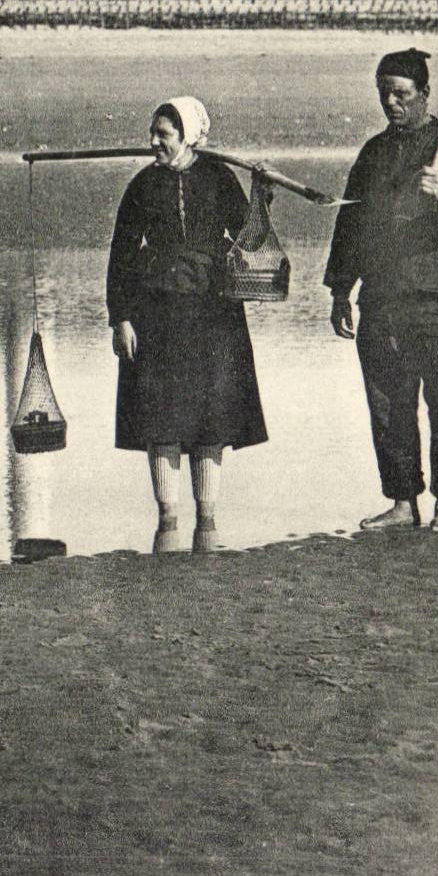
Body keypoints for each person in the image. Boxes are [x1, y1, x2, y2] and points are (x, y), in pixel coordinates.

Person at [323, 48, 438, 533]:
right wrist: (340, 290)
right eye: (384, 94)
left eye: (401, 93)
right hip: (381, 302)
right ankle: (401, 503)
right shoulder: (373, 154)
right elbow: (349, 224)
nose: (392, 103)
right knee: (388, 406)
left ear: (424, 94)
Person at [107, 97, 268, 550]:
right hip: (154, 314)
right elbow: (120, 256)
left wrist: (260, 191)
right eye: (153, 132)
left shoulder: (220, 179)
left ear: (189, 136)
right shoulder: (142, 186)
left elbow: (251, 236)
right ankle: (168, 519)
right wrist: (120, 318)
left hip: (213, 314)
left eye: (165, 134)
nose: (154, 141)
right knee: (160, 417)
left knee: (210, 418)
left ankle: (209, 524)